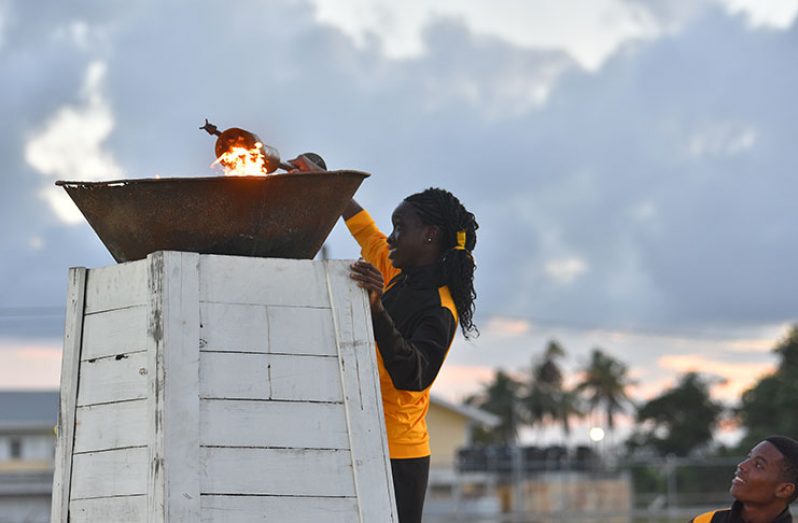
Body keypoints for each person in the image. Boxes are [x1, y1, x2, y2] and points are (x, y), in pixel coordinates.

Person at [289, 155, 478, 523]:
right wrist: (328, 183)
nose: (390, 238)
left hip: (399, 457)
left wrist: (376, 308)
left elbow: (414, 375)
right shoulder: (395, 268)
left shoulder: (440, 308)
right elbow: (365, 231)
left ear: (429, 236)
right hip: (359, 437)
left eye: (399, 228)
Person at [691, 436, 798, 523]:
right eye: (749, 457)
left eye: (758, 465)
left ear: (784, 489)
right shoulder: (705, 521)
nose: (742, 465)